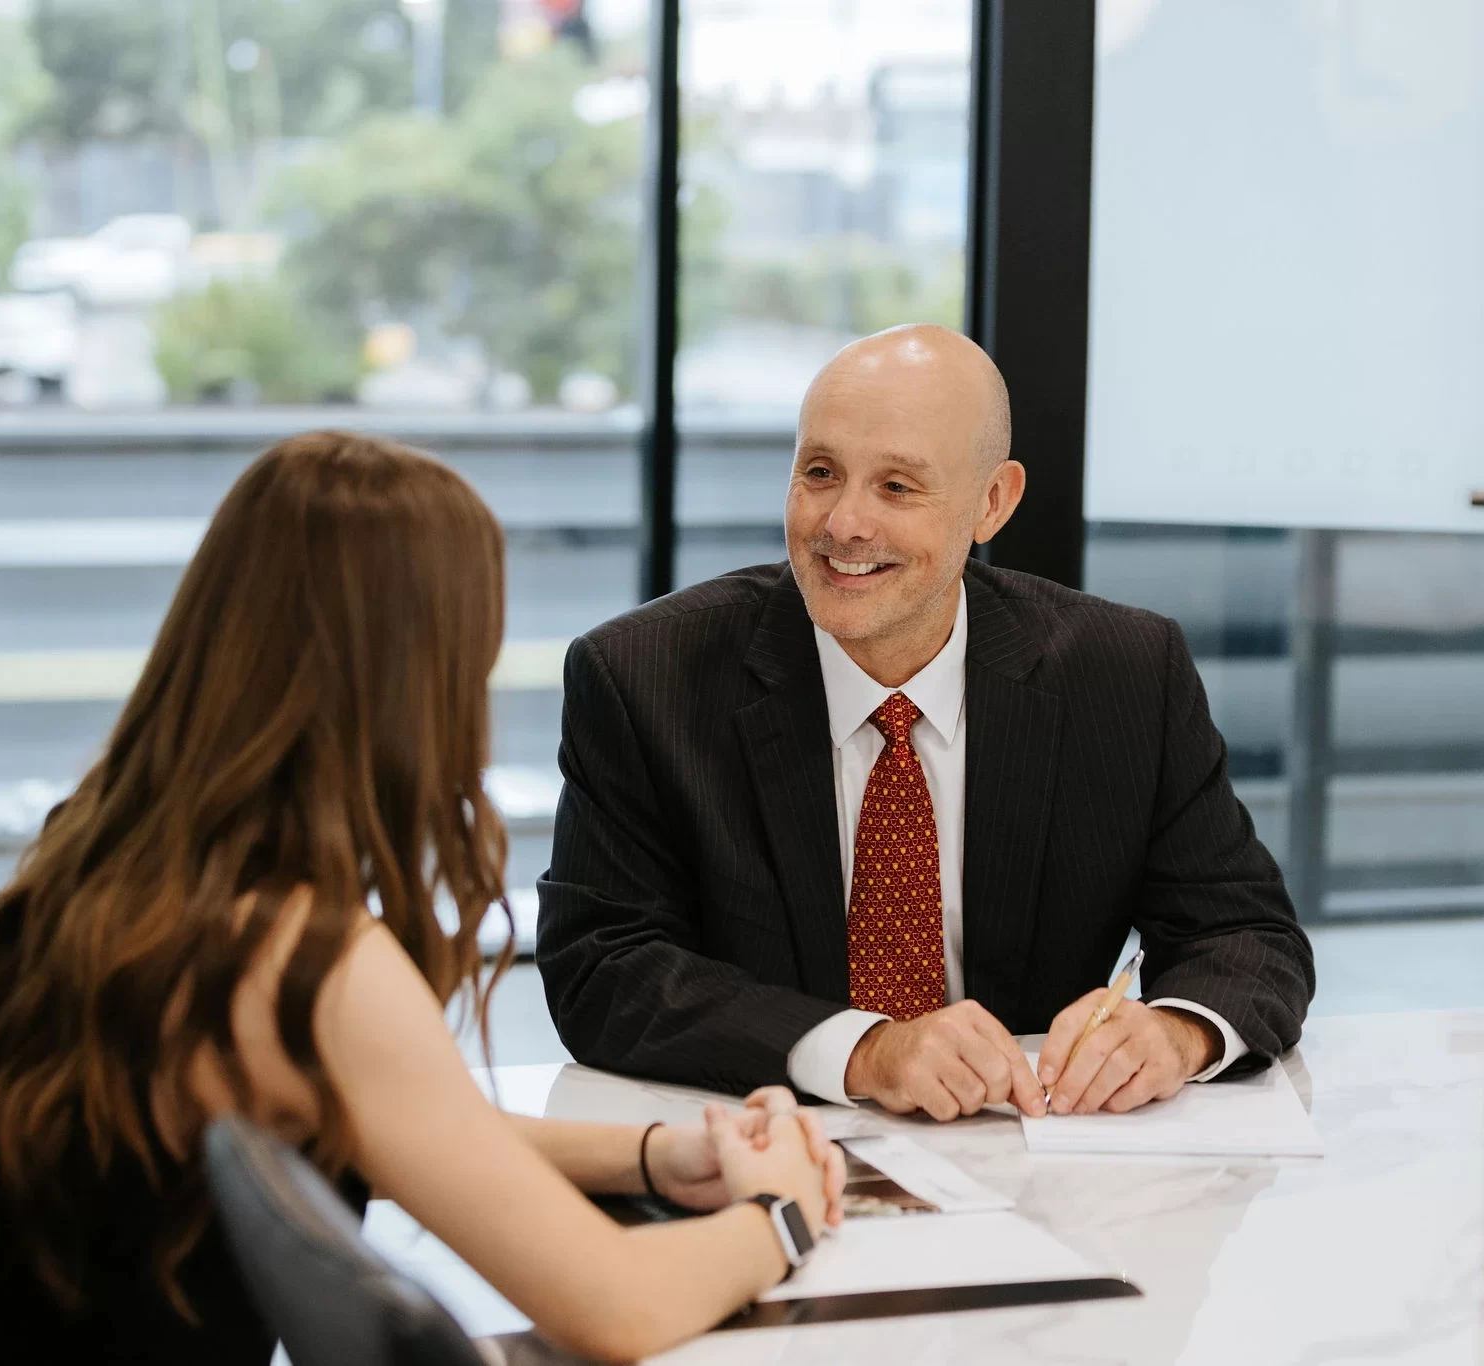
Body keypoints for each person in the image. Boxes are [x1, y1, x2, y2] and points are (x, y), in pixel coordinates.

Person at [0, 432, 847, 1366]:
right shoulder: (302, 962)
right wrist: (783, 1212)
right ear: (415, 679)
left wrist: (652, 1156)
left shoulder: (116, 853)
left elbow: (413, 1121)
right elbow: (616, 1310)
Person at [538, 325, 1315, 1123]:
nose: (843, 523)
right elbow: (602, 970)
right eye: (820, 473)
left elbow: (1249, 935)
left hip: (1037, 1167)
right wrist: (866, 1051)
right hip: (765, 1153)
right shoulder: (644, 676)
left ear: (993, 502)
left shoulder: (1125, 672)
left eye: (897, 487)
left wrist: (1176, 1032)